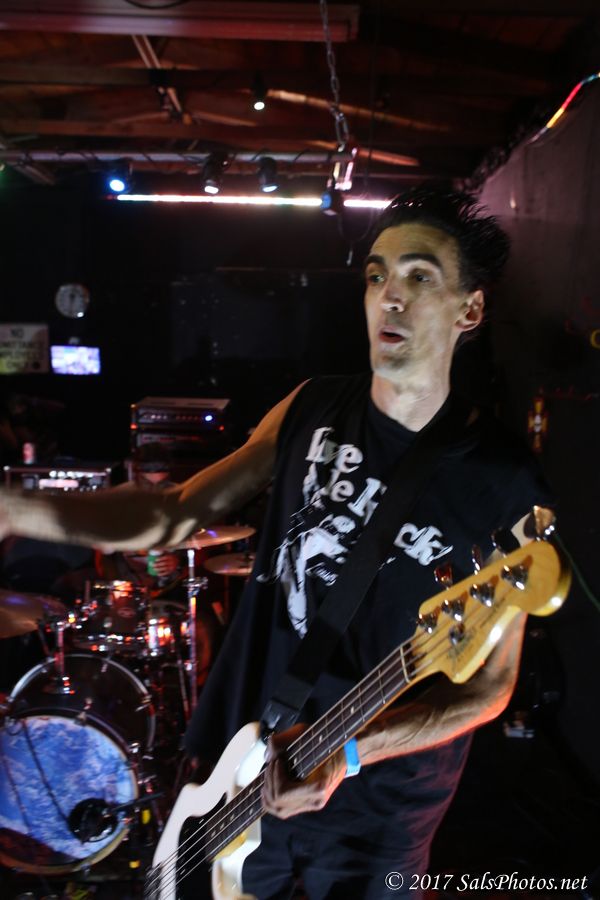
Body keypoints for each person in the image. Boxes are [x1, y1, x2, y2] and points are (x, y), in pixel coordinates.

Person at [0, 187, 551, 898]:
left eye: (419, 276)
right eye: (377, 275)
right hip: (244, 764)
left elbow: (490, 687)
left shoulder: (504, 479)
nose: (389, 297)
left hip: (378, 809)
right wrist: (17, 509)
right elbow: (173, 512)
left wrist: (348, 752)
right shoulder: (311, 408)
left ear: (469, 310)